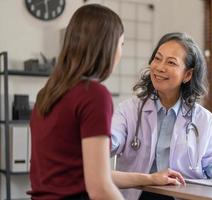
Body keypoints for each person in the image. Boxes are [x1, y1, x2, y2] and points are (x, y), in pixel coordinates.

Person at [28, 5, 184, 200]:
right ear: (107, 47)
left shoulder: (48, 93)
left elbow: (85, 174)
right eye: (121, 44)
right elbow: (100, 187)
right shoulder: (93, 95)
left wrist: (150, 178)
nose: (120, 52)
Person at [111, 32, 212, 199]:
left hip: (183, 196)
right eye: (157, 58)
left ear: (188, 75)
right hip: (137, 195)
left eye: (171, 62)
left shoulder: (204, 120)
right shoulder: (129, 110)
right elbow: (109, 141)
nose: (160, 67)